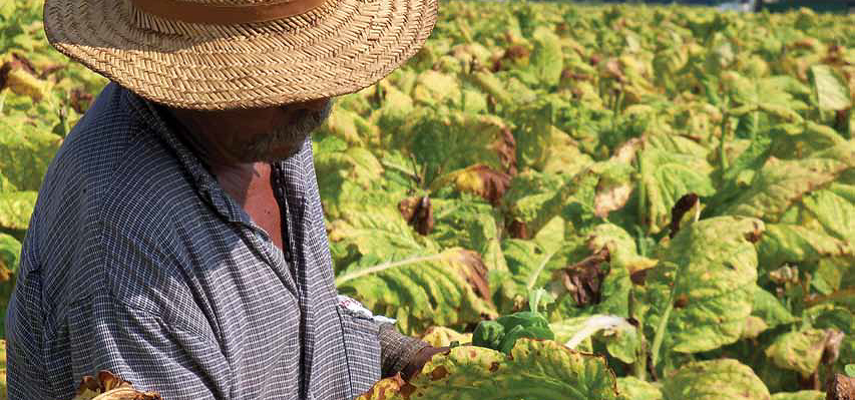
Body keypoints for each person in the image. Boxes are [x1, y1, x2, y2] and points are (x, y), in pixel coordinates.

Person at [4, 0, 447, 399]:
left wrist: (401, 356)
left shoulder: (269, 131)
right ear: (187, 75)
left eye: (313, 65)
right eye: (279, 77)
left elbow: (295, 322)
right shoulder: (128, 245)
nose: (317, 99)